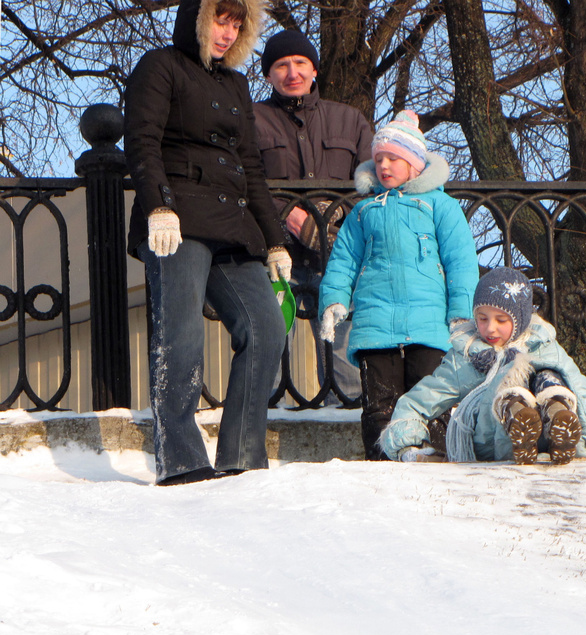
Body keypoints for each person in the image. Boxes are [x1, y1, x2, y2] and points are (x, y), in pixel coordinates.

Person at [124, 0, 291, 486]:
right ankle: (181, 461)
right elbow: (142, 140)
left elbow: (252, 169)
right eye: (221, 20)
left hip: (232, 227)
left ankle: (242, 455)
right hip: (176, 221)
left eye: (237, 24)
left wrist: (275, 241)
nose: (227, 32)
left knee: (266, 328)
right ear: (199, 18)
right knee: (181, 337)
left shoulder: (236, 84)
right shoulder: (161, 66)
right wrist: (158, 205)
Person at [318, 110, 481, 460]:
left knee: (430, 398)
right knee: (380, 403)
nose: (385, 166)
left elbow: (461, 263)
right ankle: (382, 462)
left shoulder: (440, 206)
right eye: (379, 159)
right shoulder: (363, 212)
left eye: (394, 158)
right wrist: (333, 301)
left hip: (428, 323)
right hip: (375, 322)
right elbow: (343, 261)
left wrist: (461, 314)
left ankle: (434, 456)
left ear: (416, 165)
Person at [379, 266, 586, 465]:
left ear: (521, 320)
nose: (490, 328)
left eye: (501, 320)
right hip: (491, 440)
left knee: (548, 374)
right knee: (507, 377)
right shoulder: (467, 356)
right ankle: (516, 413)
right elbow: (420, 400)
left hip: (546, 442)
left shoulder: (545, 348)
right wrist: (408, 445)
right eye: (482, 319)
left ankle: (557, 416)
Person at [254, 29, 373, 404]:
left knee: (345, 366)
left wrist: (329, 221)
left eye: (301, 63)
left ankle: (348, 426)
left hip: (337, 258)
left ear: (315, 69)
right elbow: (243, 179)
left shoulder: (351, 120)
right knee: (267, 351)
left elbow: (372, 184)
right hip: (274, 255)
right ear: (268, 75)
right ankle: (262, 429)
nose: (292, 73)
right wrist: (287, 217)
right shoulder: (250, 121)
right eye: (281, 65)